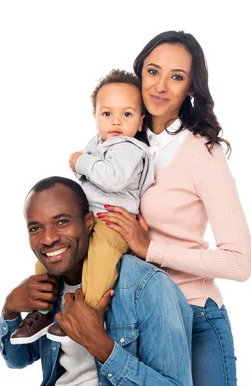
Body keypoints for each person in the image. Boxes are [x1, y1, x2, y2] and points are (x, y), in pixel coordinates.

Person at [100, 31, 251, 386]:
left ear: (191, 89)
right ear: (139, 74)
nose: (161, 86)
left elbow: (240, 262)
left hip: (195, 313)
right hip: (133, 317)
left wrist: (150, 249)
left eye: (177, 77)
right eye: (153, 72)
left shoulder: (202, 152)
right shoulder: (121, 137)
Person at [0, 176, 193, 386]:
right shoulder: (48, 287)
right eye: (35, 228)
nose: (48, 238)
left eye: (62, 222)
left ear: (88, 222)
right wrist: (10, 310)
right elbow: (18, 359)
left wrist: (101, 346)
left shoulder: (146, 285)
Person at [9, 70, 154, 344]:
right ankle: (42, 311)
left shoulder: (129, 148)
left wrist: (80, 163)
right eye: (107, 114)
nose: (116, 122)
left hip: (112, 224)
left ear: (140, 121)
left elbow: (113, 179)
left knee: (100, 261)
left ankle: (84, 312)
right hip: (89, 220)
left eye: (127, 114)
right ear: (95, 116)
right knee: (49, 260)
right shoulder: (98, 143)